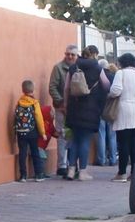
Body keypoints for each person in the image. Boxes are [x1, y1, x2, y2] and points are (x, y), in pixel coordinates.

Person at [62, 51, 108, 180]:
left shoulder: (73, 67)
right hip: (91, 109)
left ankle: (71, 170)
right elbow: (106, 85)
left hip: (74, 108)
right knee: (85, 140)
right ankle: (83, 171)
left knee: (75, 139)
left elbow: (66, 88)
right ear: (93, 56)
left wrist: (66, 104)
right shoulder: (98, 68)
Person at [107, 53, 135, 182]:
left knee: (123, 142)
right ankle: (134, 172)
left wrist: (109, 95)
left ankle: (121, 172)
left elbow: (116, 90)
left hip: (124, 109)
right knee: (134, 143)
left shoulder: (121, 73)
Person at [48, 45, 78, 174]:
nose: (70, 56)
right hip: (61, 107)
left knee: (74, 136)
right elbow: (52, 87)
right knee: (62, 135)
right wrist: (61, 102)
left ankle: (73, 164)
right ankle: (62, 165)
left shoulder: (79, 68)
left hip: (76, 108)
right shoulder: (58, 68)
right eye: (68, 54)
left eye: (72, 54)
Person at [13, 80, 46, 182]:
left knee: (22, 153)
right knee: (35, 152)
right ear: (33, 90)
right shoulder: (35, 103)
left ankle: (23, 176)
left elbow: (15, 118)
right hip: (32, 132)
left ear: (23, 90)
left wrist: (14, 132)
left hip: (21, 132)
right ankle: (38, 174)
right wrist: (42, 133)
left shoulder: (19, 102)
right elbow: (39, 119)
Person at [97, 57, 119, 169]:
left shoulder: (98, 77)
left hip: (100, 108)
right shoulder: (114, 77)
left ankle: (101, 159)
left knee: (101, 134)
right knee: (112, 135)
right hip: (111, 109)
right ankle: (113, 159)